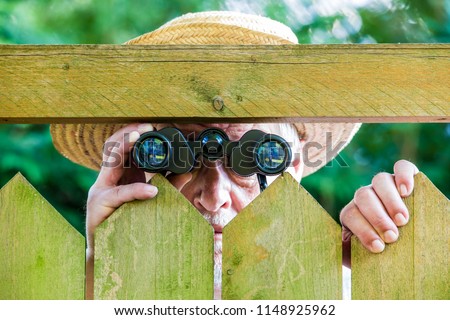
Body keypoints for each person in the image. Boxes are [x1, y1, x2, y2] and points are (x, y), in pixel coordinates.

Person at [50, 12, 419, 299]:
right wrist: (102, 266)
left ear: (288, 169)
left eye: (250, 158)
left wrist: (386, 270)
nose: (214, 197)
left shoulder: (338, 290)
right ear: (140, 162)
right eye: (180, 155)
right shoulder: (102, 288)